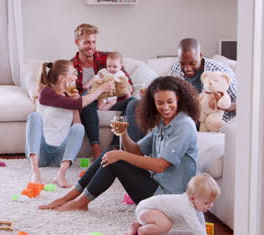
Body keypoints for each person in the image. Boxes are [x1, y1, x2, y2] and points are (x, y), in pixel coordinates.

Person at [39, 76, 200, 211]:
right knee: (111, 152)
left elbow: (160, 165)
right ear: (154, 102)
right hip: (156, 185)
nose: (165, 107)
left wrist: (121, 155)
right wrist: (123, 134)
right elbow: (137, 151)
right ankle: (69, 197)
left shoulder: (184, 125)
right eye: (160, 103)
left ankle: (81, 203)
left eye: (169, 102)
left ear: (178, 98)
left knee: (116, 160)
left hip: (168, 198)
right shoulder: (163, 124)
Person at [25, 60, 114, 188]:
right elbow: (78, 103)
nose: (76, 77)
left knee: (79, 127)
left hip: (59, 155)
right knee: (34, 116)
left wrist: (74, 104)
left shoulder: (69, 98)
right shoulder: (46, 93)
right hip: (41, 152)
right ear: (62, 78)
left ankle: (61, 174)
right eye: (73, 73)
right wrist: (100, 89)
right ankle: (35, 173)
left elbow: (76, 125)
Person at [71, 23, 136, 160]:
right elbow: (73, 95)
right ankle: (96, 148)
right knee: (88, 99)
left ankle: (115, 147)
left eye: (93, 42)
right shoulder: (72, 66)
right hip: (90, 103)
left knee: (134, 103)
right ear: (77, 43)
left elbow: (128, 84)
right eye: (87, 42)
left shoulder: (107, 59)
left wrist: (116, 87)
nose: (91, 46)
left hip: (112, 101)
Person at [125, 173, 221, 235]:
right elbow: (196, 226)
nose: (210, 206)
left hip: (148, 212)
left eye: (212, 202)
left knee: (162, 221)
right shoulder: (187, 206)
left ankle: (136, 225)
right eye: (206, 203)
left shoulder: (195, 204)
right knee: (166, 225)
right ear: (192, 198)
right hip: (145, 209)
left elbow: (201, 222)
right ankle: (142, 230)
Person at [169, 38, 237, 122]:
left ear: (200, 55)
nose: (187, 68)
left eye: (192, 63)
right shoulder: (175, 67)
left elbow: (243, 103)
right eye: (182, 63)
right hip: (185, 121)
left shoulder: (221, 72)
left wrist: (226, 105)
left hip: (215, 123)